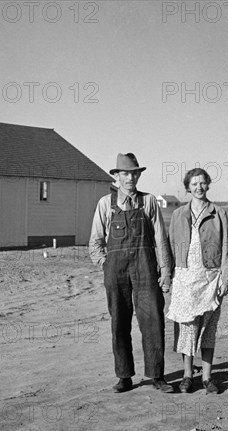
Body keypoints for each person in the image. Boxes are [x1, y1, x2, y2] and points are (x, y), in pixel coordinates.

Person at [89, 153, 173, 393]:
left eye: (134, 173)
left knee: (153, 322)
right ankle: (124, 376)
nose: (130, 177)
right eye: (125, 173)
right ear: (116, 176)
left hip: (146, 271)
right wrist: (106, 266)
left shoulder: (148, 202)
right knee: (119, 323)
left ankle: (157, 376)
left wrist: (165, 271)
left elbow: (161, 240)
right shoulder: (106, 204)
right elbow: (94, 243)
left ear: (138, 175)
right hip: (117, 274)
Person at [167, 168, 228, 394]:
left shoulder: (218, 213)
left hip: (210, 277)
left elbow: (225, 247)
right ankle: (187, 376)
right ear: (188, 187)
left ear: (208, 185)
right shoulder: (178, 215)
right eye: (194, 184)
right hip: (184, 277)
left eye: (202, 183)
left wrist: (226, 277)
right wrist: (168, 275)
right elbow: (170, 246)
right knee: (187, 327)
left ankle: (206, 377)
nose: (198, 187)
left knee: (207, 328)